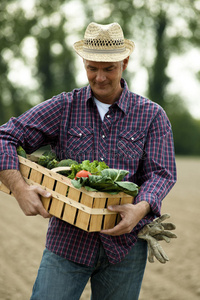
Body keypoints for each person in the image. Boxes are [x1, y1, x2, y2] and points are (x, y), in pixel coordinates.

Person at [0, 22, 176, 300]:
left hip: (125, 248)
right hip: (67, 244)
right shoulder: (64, 107)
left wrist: (141, 209)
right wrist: (20, 190)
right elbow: (5, 137)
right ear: (83, 62)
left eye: (109, 69)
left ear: (125, 62)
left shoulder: (151, 115)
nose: (100, 77)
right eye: (92, 68)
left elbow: (161, 173)